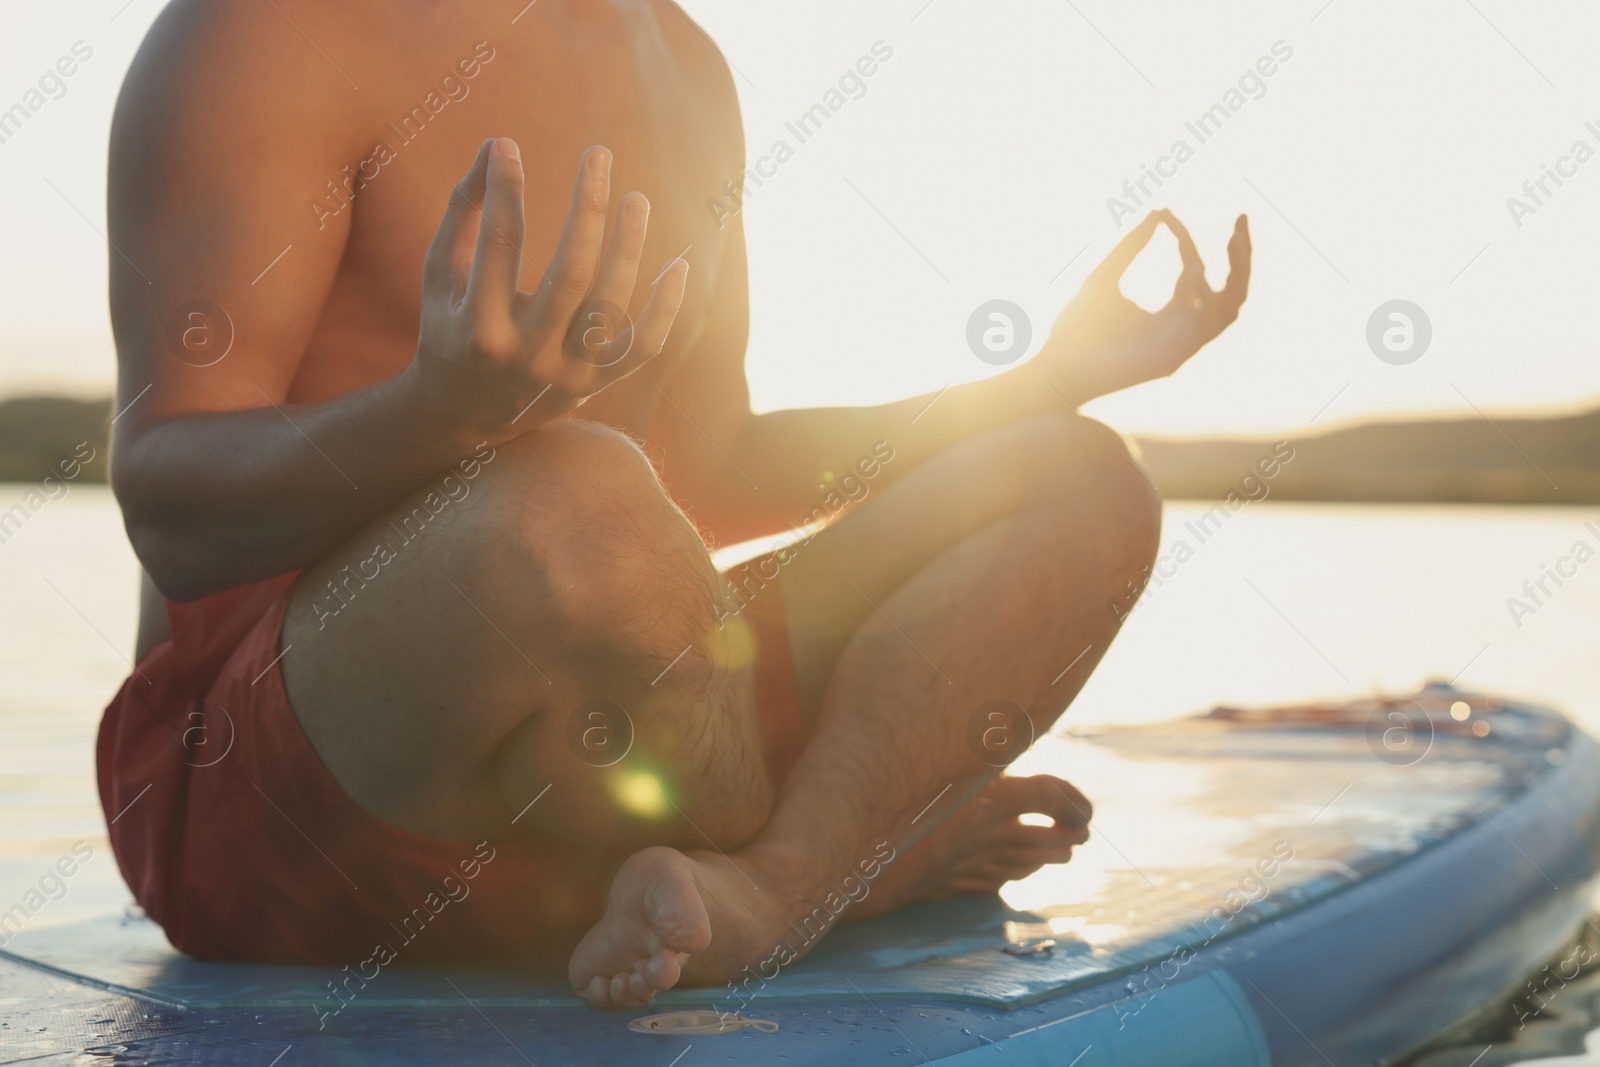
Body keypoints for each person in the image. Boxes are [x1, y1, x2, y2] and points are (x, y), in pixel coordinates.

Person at [98, 0, 1250, 1010]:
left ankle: (763, 893)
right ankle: (848, 857)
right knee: (577, 490)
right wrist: (433, 417)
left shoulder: (687, 65)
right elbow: (169, 503)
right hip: (272, 797)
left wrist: (1038, 384)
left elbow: (708, 470)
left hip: (608, 762)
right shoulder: (273, 26)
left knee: (1078, 476)